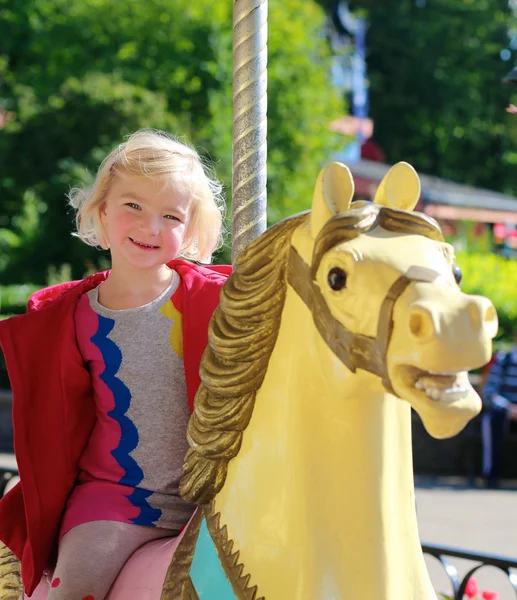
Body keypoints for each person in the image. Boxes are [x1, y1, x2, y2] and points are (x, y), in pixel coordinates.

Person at [0, 129, 231, 599]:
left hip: (211, 499)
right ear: (103, 212)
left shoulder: (216, 301)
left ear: (190, 231)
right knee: (76, 589)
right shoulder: (76, 318)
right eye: (133, 206)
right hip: (116, 499)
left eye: (170, 215)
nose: (150, 226)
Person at [481, 335, 517, 488]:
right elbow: (489, 393)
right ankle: (491, 475)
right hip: (504, 411)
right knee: (492, 420)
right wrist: (509, 408)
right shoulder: (503, 360)